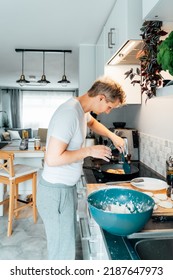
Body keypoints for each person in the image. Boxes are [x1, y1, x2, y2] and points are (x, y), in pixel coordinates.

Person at [36, 76, 126, 260]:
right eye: (109, 107)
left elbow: (92, 122)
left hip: (63, 190)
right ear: (101, 97)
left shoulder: (80, 109)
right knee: (61, 254)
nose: (108, 112)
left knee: (64, 248)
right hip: (56, 194)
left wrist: (112, 135)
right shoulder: (68, 113)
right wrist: (89, 150)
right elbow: (52, 159)